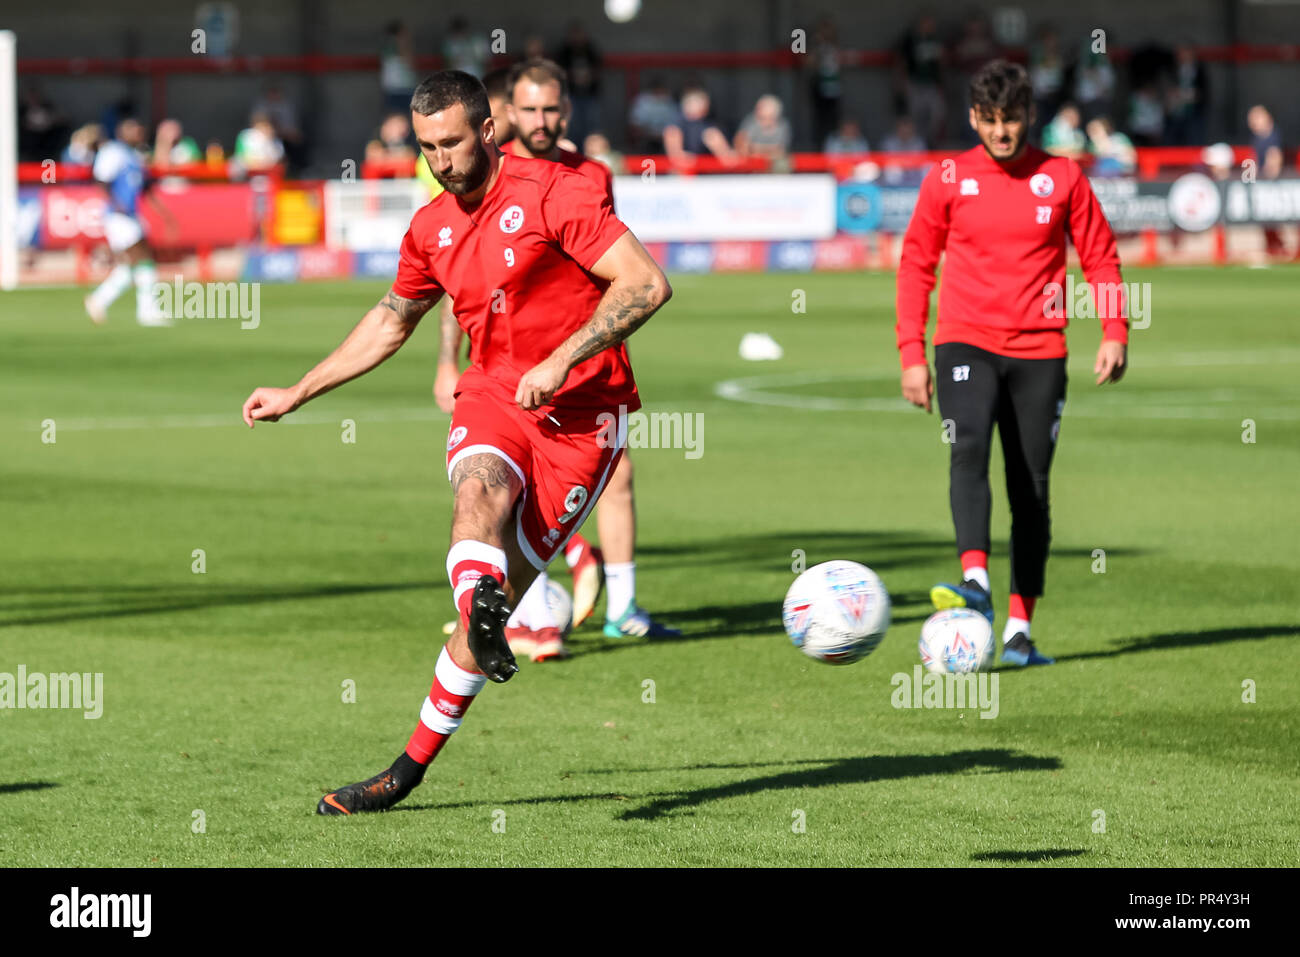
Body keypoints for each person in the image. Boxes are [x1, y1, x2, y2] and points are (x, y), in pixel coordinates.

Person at [241, 70, 672, 815]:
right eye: (426, 147)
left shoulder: (555, 192)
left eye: (451, 142)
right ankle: (478, 603)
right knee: (478, 487)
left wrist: (564, 357)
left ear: (488, 131)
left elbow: (643, 283)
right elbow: (388, 321)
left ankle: (407, 766)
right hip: (496, 394)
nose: (440, 159)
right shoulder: (431, 227)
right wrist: (298, 391)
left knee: (496, 605)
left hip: (585, 422)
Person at [437, 58, 681, 660]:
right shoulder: (484, 173)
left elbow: (617, 269)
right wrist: (447, 361)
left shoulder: (591, 174)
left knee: (617, 478)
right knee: (506, 492)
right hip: (503, 366)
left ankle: (620, 607)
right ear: (505, 114)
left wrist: (594, 347)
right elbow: (452, 280)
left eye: (552, 108)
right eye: (528, 108)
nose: (540, 120)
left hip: (580, 364)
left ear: (566, 110)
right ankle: (527, 612)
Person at [895, 60, 1129, 666]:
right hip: (964, 341)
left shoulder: (1064, 177)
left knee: (1031, 489)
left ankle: (1020, 628)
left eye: (1013, 119)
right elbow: (917, 264)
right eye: (991, 121)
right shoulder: (947, 177)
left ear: (1031, 116)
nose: (1002, 133)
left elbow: (1099, 258)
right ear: (974, 117)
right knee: (967, 445)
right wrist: (911, 354)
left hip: (1040, 350)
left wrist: (1114, 330)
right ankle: (975, 581)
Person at [83, 118, 173, 326]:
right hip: (118, 217)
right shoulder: (113, 152)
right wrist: (117, 204)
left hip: (130, 215)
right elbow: (101, 180)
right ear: (122, 132)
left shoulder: (134, 156)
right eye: (134, 130)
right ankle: (146, 310)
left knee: (132, 265)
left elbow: (145, 188)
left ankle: (99, 300)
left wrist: (163, 213)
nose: (139, 134)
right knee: (144, 258)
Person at [1247, 105, 1287, 258]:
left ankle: (1278, 247)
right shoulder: (1257, 138)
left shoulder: (1272, 135)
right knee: (1266, 219)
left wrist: (1268, 181)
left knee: (1273, 217)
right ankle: (1274, 246)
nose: (1252, 124)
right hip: (1263, 183)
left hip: (1272, 185)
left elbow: (1274, 159)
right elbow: (1255, 162)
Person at [663, 87, 737, 166]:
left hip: (701, 169)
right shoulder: (676, 123)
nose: (706, 107)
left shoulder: (706, 124)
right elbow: (675, 153)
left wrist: (726, 154)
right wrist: (681, 156)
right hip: (677, 172)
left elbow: (719, 146)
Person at [734, 95, 792, 163]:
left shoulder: (783, 125)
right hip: (752, 163)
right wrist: (769, 151)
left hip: (774, 165)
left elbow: (781, 150)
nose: (766, 122)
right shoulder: (751, 122)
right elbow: (742, 147)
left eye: (770, 117)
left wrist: (754, 148)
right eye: (762, 118)